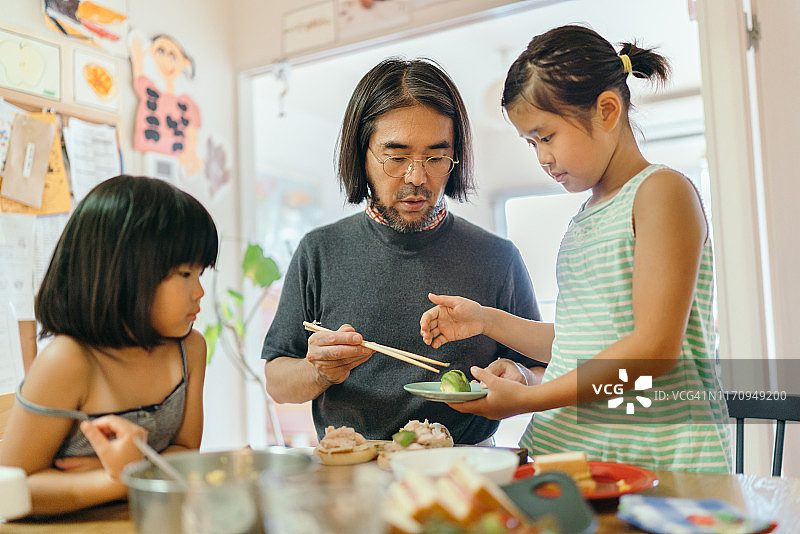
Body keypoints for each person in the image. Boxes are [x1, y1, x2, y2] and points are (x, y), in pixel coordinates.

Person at [419, 25, 732, 472]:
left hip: (652, 454)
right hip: (578, 447)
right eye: (531, 143)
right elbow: (579, 343)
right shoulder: (586, 215)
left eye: (546, 136)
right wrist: (486, 320)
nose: (541, 157)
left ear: (606, 110)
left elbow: (653, 352)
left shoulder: (661, 192)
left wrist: (529, 398)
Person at [261, 58, 542, 445]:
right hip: (352, 465)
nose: (417, 177)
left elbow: (541, 370)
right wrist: (320, 371)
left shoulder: (498, 258)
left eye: (436, 157)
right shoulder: (319, 251)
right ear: (362, 153)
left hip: (465, 464)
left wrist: (521, 377)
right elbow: (277, 382)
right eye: (396, 157)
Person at [0, 175, 218, 514]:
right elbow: (11, 487)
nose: (199, 292)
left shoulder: (189, 350)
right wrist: (124, 479)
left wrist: (129, 473)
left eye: (200, 273)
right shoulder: (68, 360)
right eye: (185, 274)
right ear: (125, 274)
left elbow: (185, 452)